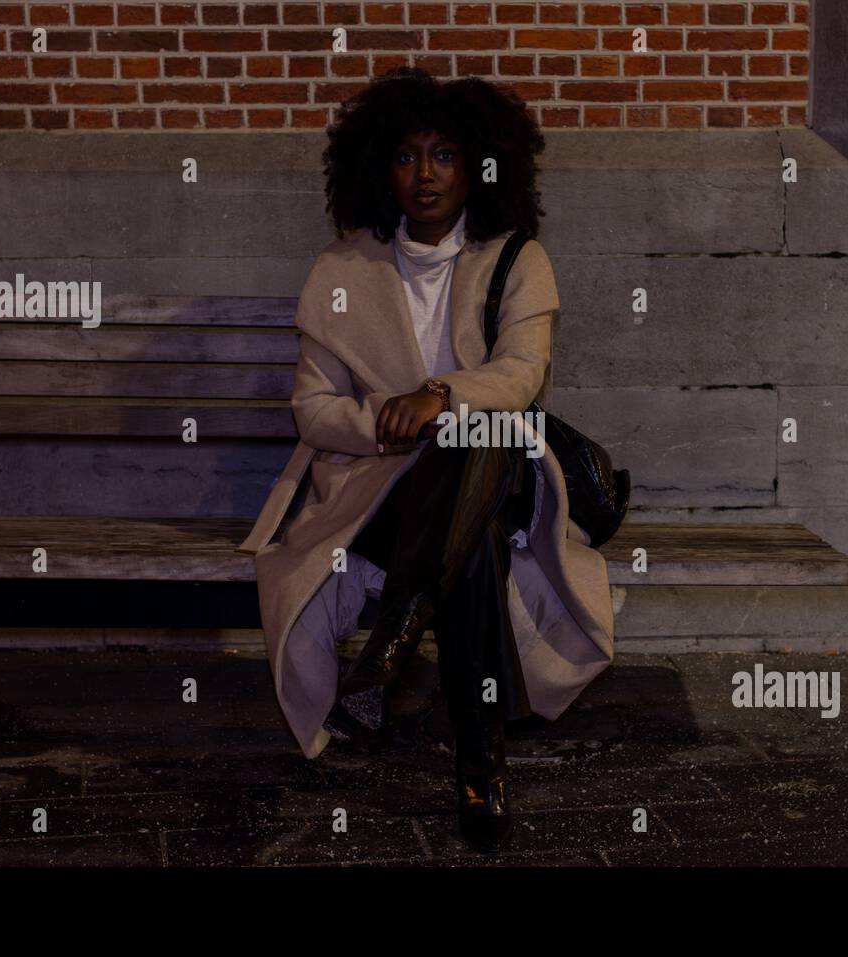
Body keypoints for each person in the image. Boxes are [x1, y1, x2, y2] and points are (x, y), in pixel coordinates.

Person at [238, 66, 616, 854]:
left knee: (478, 439)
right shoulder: (340, 271)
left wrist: (440, 397)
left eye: (446, 154)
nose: (426, 173)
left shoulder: (517, 259)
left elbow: (520, 376)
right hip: (379, 502)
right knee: (467, 546)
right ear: (382, 166)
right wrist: (388, 420)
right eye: (408, 156)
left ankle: (387, 656)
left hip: (501, 480)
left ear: (479, 163)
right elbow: (311, 409)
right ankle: (481, 765)